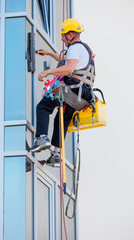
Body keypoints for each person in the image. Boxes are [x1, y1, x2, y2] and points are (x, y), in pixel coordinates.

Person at [29, 18, 95, 167]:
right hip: (81, 96)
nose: (61, 38)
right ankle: (56, 155)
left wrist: (47, 72)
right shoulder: (84, 49)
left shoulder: (74, 47)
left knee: (43, 106)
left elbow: (68, 68)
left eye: (63, 35)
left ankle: (42, 138)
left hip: (70, 90)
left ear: (70, 35)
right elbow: (65, 59)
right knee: (61, 120)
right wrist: (48, 53)